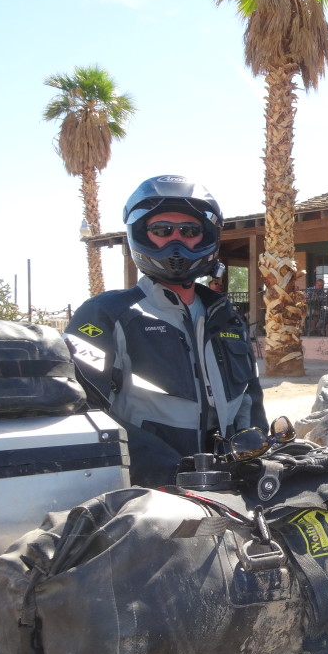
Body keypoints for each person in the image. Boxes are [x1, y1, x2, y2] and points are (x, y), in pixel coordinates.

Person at [65, 175, 266, 487]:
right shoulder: (107, 314)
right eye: (161, 230)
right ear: (141, 234)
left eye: (189, 231)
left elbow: (250, 405)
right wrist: (165, 469)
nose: (176, 241)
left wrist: (257, 462)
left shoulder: (226, 318)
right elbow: (84, 408)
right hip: (146, 491)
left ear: (206, 236)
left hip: (227, 488)